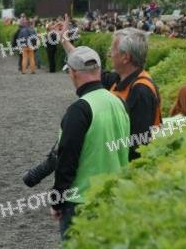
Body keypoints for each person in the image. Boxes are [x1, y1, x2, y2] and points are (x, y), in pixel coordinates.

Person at [51, 46, 130, 240]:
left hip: (81, 202)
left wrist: (56, 201)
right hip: (114, 197)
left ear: (73, 72)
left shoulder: (79, 109)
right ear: (99, 70)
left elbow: (67, 160)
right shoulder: (119, 102)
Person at [58, 18, 161, 161]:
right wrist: (65, 41)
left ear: (125, 57)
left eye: (112, 50)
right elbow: (87, 68)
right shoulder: (119, 80)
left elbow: (139, 143)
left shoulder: (141, 91)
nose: (109, 54)